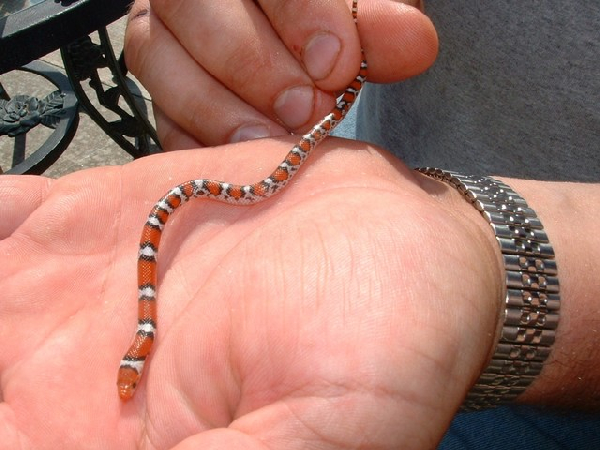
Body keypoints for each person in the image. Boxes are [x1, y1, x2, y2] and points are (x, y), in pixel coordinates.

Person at [0, 1, 598, 449]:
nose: (130, 385)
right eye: (132, 376)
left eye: (130, 377)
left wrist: (491, 260)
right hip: (358, 167)